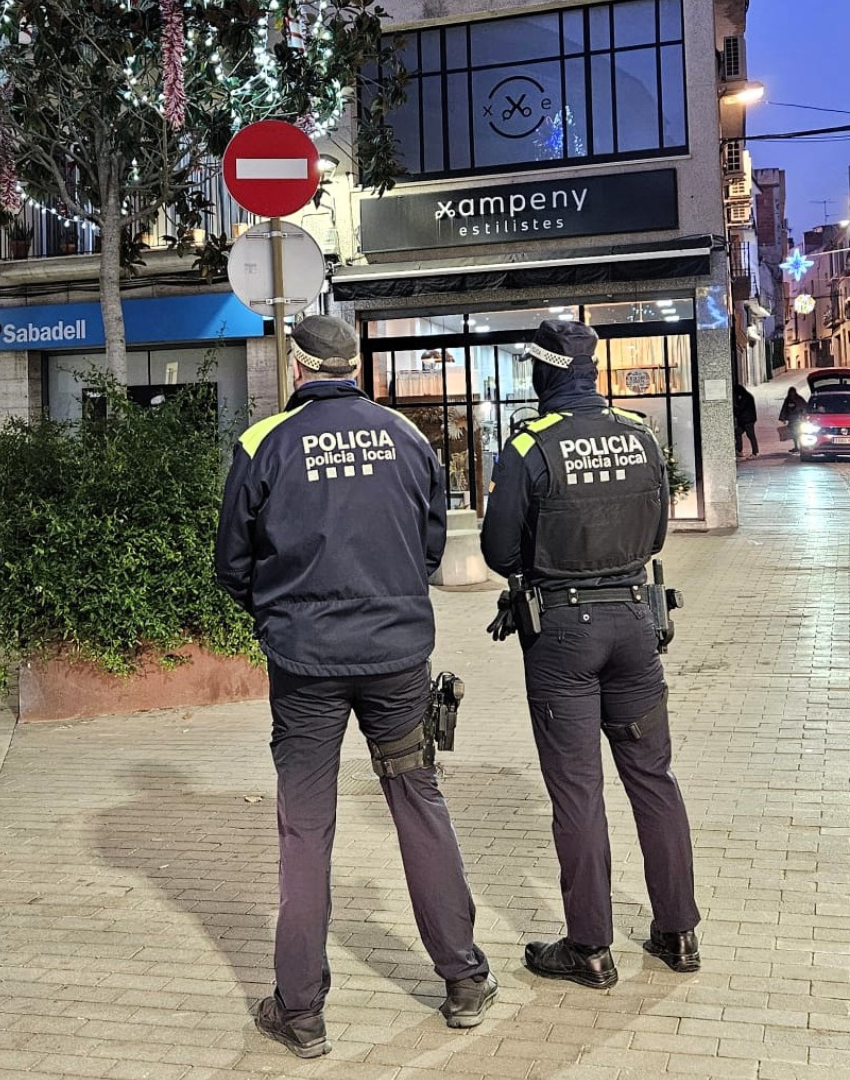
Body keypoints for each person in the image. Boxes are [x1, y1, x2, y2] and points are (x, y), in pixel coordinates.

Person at [215, 315, 494, 1058]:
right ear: (353, 364)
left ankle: (301, 1012)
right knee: (416, 802)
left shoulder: (262, 443)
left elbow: (231, 563)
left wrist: (281, 617)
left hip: (304, 668)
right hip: (396, 661)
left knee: (306, 828)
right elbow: (432, 545)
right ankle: (464, 980)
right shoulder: (407, 437)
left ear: (298, 368)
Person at [480, 319, 700, 990]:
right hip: (637, 622)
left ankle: (590, 948)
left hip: (565, 636)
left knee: (578, 793)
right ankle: (678, 932)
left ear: (545, 374)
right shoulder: (639, 435)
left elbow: (498, 550)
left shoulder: (530, 447)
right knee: (653, 779)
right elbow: (658, 528)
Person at [778, 386, 808, 453]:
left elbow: (804, 407)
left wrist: (804, 416)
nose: (792, 394)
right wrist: (783, 418)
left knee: (799, 433)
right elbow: (784, 409)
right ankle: (796, 447)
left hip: (798, 420)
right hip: (792, 420)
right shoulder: (787, 400)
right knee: (794, 434)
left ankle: (801, 446)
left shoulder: (799, 399)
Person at [733, 384, 759, 457]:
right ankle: (739, 450)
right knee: (738, 432)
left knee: (750, 435)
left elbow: (740, 408)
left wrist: (735, 405)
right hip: (744, 420)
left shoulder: (745, 397)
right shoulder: (746, 396)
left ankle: (755, 452)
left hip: (748, 420)